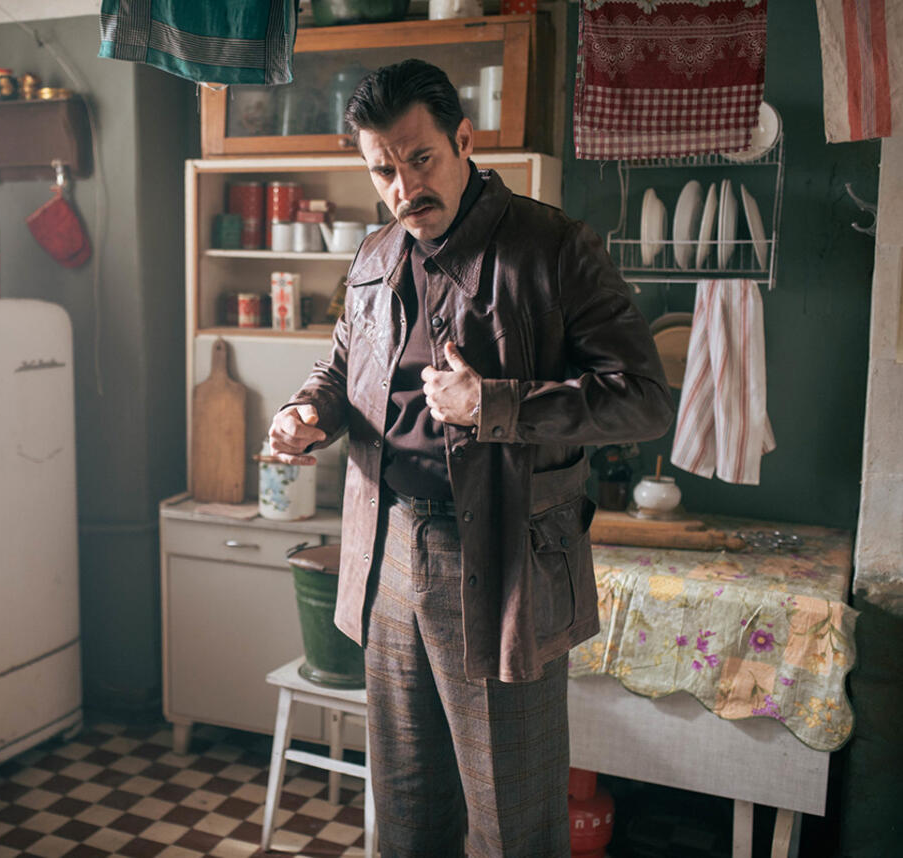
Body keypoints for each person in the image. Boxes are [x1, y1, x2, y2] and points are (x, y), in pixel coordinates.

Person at [267, 59, 673, 857]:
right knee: (406, 816)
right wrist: (306, 413)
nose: (404, 187)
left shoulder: (554, 247)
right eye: (383, 170)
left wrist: (496, 404)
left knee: (512, 827)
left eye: (421, 159)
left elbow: (643, 399)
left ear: (463, 140)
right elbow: (342, 369)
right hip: (385, 554)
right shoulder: (374, 254)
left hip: (501, 562)